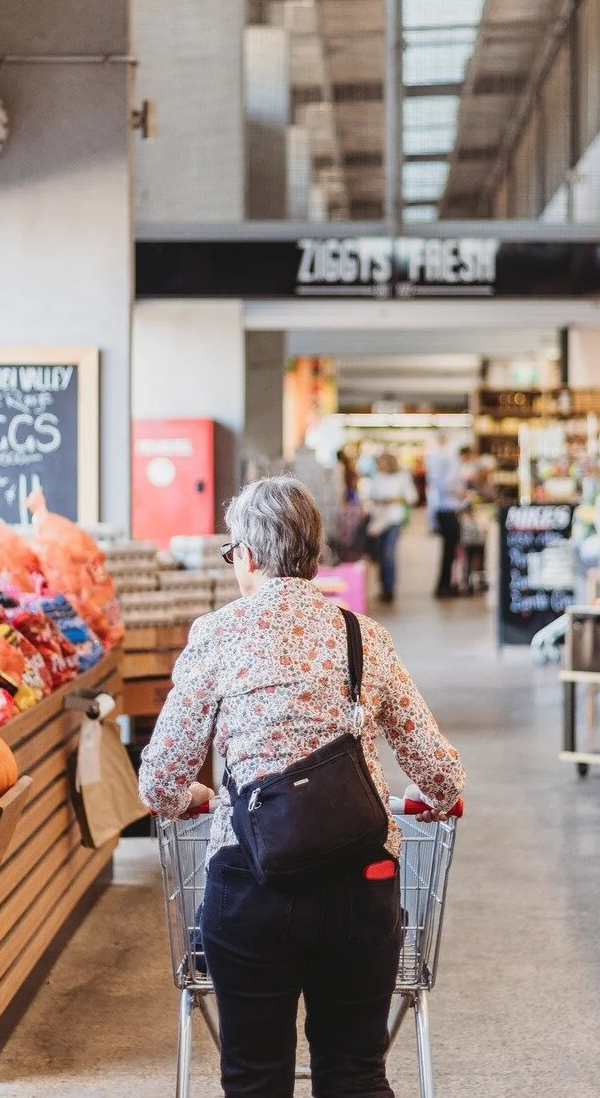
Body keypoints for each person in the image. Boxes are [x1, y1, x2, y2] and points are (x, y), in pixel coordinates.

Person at [138, 477, 465, 1098]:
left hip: (251, 888)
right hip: (359, 889)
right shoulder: (362, 636)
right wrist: (443, 798)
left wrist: (194, 799)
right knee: (356, 1075)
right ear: (312, 554)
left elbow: (160, 782)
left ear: (251, 556)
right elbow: (438, 771)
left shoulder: (218, 635)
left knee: (255, 1077)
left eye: (233, 553)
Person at [361, 452, 414, 604]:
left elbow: (411, 497)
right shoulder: (376, 476)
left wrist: (394, 499)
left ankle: (389, 588)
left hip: (393, 519)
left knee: (388, 553)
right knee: (380, 555)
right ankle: (383, 586)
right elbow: (371, 495)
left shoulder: (402, 476)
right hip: (379, 521)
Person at [424, 442, 472, 599]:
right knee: (449, 552)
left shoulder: (451, 465)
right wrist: (461, 494)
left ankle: (447, 584)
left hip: (446, 511)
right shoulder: (454, 466)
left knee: (450, 552)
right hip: (448, 512)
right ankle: (444, 586)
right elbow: (446, 486)